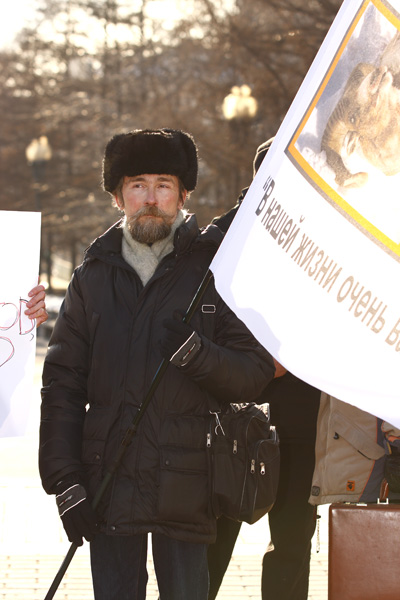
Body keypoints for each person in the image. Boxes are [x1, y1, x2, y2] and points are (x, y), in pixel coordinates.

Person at [38, 128, 276, 600]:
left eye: (163, 185)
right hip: (108, 483)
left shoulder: (216, 269)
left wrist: (198, 355)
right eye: (137, 185)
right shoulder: (93, 275)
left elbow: (254, 371)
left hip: (188, 489)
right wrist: (65, 480)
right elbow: (63, 384)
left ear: (183, 193)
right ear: (117, 196)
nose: (151, 198)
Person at [207, 138, 321, 600]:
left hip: (300, 415)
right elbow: (204, 315)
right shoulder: (223, 236)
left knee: (292, 544)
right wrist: (259, 363)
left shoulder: (326, 243)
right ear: (258, 177)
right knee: (212, 543)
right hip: (232, 413)